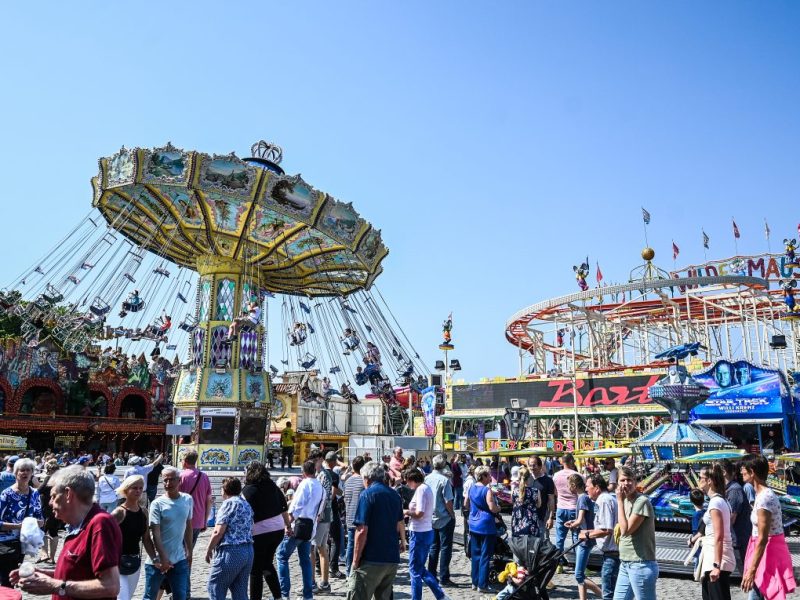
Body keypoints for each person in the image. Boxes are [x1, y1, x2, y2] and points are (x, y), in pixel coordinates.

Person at [12, 465, 121, 599]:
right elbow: (79, 574)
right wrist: (47, 574)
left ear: (68, 494)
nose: (50, 503)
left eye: (53, 496)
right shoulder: (78, 525)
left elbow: (110, 586)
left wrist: (55, 586)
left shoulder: (100, 523)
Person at [740, 454, 796, 600]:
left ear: (752, 472)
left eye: (743, 469)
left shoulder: (765, 497)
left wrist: (752, 570)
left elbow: (763, 538)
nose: (741, 472)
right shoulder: (762, 495)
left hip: (768, 552)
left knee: (761, 594)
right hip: (764, 551)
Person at [347, 462, 406, 600]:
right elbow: (400, 522)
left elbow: (361, 531)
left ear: (367, 477)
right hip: (391, 558)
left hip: (371, 558)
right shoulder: (394, 495)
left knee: (358, 595)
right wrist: (403, 542)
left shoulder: (367, 495)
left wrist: (355, 561)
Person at [277, 459, 325, 600]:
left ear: (303, 472)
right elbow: (320, 512)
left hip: (297, 526)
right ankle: (308, 594)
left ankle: (284, 594)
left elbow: (296, 507)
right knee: (305, 560)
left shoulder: (304, 484)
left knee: (281, 556)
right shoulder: (321, 488)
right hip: (310, 528)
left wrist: (287, 524)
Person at [143, 467, 193, 600]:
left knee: (180, 596)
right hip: (158, 561)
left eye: (171, 480)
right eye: (165, 480)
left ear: (179, 480)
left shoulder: (187, 499)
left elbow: (188, 527)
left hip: (179, 559)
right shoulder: (157, 504)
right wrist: (163, 558)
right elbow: (155, 534)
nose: (168, 483)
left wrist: (189, 551)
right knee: (150, 597)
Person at [242, 461, 288, 600]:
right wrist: (289, 526)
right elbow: (284, 508)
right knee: (267, 563)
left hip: (260, 532)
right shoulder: (272, 486)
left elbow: (244, 515)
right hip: (278, 530)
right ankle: (278, 596)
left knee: (255, 568)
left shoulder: (247, 490)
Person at [204, 477, 254, 600]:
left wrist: (209, 549)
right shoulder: (245, 503)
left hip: (231, 551)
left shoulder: (228, 504)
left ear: (224, 489)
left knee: (215, 586)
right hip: (247, 550)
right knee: (240, 589)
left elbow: (218, 531)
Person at [404, 469, 450, 600]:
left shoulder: (421, 490)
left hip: (419, 532)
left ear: (412, 480)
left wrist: (406, 512)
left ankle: (417, 598)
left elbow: (419, 513)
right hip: (425, 531)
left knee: (414, 570)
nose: (407, 485)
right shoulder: (426, 488)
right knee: (419, 568)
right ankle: (440, 595)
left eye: (408, 482)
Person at [614, 466, 658, 600]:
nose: (626, 483)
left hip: (640, 564)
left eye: (629, 480)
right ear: (617, 483)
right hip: (625, 562)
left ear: (635, 481)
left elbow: (626, 530)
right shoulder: (626, 500)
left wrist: (619, 502)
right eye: (622, 480)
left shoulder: (641, 501)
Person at [0, 458, 44, 587]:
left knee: (14, 578)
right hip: (5, 543)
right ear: (15, 473)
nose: (25, 473)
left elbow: (40, 519)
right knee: (6, 579)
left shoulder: (35, 493)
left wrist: (34, 524)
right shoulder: (6, 494)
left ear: (32, 473)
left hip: (23, 544)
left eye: (28, 470)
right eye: (21, 470)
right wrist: (20, 526)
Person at [697, 463, 736, 600]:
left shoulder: (715, 503)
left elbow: (719, 536)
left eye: (700, 477)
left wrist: (716, 566)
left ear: (709, 481)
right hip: (714, 556)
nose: (698, 480)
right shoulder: (720, 501)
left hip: (717, 558)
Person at [112, 475, 154, 600]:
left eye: (141, 488)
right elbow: (105, 536)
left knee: (128, 597)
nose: (138, 491)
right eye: (134, 488)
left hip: (135, 562)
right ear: (126, 490)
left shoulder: (144, 512)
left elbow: (146, 538)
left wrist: (155, 559)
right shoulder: (119, 512)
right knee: (122, 598)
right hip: (117, 563)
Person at [581, 474, 619, 600]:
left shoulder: (604, 500)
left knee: (608, 593)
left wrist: (587, 534)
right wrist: (588, 531)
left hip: (612, 553)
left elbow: (606, 529)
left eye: (588, 486)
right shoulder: (606, 499)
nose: (586, 489)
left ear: (596, 488)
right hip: (610, 553)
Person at [565, 474, 602, 600]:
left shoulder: (582, 498)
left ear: (574, 486)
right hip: (584, 537)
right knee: (580, 574)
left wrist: (572, 525)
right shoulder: (584, 498)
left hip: (584, 539)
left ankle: (605, 596)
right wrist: (573, 522)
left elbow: (580, 521)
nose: (567, 488)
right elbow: (583, 519)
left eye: (568, 485)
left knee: (579, 575)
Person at [466, 465, 500, 593]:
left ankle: (474, 582)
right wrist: (499, 508)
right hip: (486, 525)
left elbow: (466, 504)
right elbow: (492, 507)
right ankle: (483, 584)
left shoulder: (472, 488)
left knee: (475, 555)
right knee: (485, 556)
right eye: (489, 475)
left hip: (474, 525)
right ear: (484, 476)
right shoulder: (487, 490)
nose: (490, 477)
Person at [425, 454, 456, 586]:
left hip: (431, 518)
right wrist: (452, 514)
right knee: (445, 548)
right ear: (444, 465)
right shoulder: (444, 480)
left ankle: (431, 575)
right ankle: (444, 577)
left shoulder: (426, 479)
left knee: (433, 547)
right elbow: (448, 501)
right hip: (444, 518)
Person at [721, 458, 752, 576]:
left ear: (723, 472)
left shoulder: (734, 490)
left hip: (739, 539)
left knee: (747, 573)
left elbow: (731, 519)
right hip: (737, 539)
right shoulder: (729, 488)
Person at [178, 451, 213, 551]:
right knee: (189, 550)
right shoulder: (204, 476)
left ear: (185, 462)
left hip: (182, 519)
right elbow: (209, 500)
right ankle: (187, 566)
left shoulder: (181, 476)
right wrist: (205, 521)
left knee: (179, 550)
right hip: (198, 519)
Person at [551, 453, 580, 573]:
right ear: (572, 461)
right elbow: (581, 493)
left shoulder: (556, 476)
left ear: (562, 462)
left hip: (561, 508)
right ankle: (579, 565)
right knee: (576, 538)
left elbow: (554, 493)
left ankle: (559, 564)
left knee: (560, 538)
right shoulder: (577, 475)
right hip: (574, 507)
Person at [344, 456, 366, 575]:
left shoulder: (348, 481)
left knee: (350, 546)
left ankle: (348, 572)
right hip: (360, 518)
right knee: (360, 546)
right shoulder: (364, 482)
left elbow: (345, 498)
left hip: (349, 516)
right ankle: (357, 570)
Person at [36, 460, 61, 565]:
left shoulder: (48, 478)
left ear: (50, 470)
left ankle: (44, 555)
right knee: (54, 532)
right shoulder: (62, 480)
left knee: (42, 532)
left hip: (47, 509)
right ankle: (51, 558)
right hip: (58, 509)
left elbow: (38, 491)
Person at [528, 455, 555, 541]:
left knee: (542, 540)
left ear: (540, 466)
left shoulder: (548, 480)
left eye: (534, 465)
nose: (532, 467)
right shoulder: (526, 479)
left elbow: (551, 500)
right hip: (528, 516)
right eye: (530, 465)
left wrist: (551, 517)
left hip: (543, 516)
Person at [511, 466, 541, 538]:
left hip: (517, 520)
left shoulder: (515, 490)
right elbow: (539, 505)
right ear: (529, 477)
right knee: (532, 544)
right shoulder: (536, 490)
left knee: (518, 543)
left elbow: (513, 502)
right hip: (531, 520)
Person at [688, 488, 707, 572]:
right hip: (706, 545)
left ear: (691, 501)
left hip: (699, 547)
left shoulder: (696, 515)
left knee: (698, 570)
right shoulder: (705, 512)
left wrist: (691, 541)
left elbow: (699, 533)